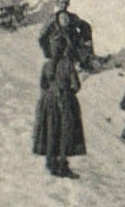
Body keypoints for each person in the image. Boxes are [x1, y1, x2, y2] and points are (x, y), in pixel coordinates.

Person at [32, 33, 86, 178]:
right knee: (66, 132)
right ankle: (62, 164)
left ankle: (50, 161)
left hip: (48, 101)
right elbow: (76, 85)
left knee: (50, 130)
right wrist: (67, 91)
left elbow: (43, 85)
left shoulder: (46, 65)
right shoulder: (68, 64)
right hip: (65, 101)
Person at [39, 0, 104, 71]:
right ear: (57, 3)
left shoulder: (72, 17)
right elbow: (43, 37)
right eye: (62, 3)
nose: (64, 5)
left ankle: (89, 60)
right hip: (61, 49)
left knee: (78, 42)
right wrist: (48, 52)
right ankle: (75, 64)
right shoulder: (52, 19)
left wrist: (87, 39)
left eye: (66, 3)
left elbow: (85, 25)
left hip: (74, 45)